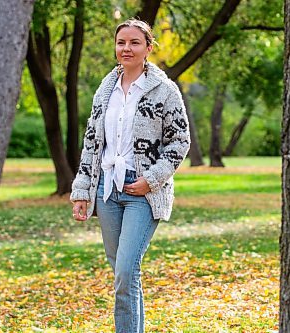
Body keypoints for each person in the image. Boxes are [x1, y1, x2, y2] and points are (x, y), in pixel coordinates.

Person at [70, 18, 191, 333]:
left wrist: (151, 180)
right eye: (121, 42)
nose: (127, 48)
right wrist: (82, 191)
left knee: (126, 270)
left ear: (148, 48)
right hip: (107, 191)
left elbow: (180, 142)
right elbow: (92, 143)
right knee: (124, 275)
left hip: (144, 193)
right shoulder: (105, 89)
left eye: (135, 42)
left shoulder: (165, 91)